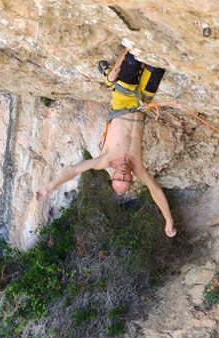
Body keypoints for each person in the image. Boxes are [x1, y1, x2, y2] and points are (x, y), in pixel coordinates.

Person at [36, 48, 177, 237]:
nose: (123, 176)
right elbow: (155, 190)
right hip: (142, 102)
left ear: (113, 176)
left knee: (134, 55)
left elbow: (72, 170)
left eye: (119, 179)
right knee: (157, 60)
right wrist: (168, 220)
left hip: (123, 99)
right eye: (126, 180)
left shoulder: (105, 160)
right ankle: (108, 75)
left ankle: (108, 75)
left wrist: (49, 187)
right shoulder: (138, 168)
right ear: (132, 179)